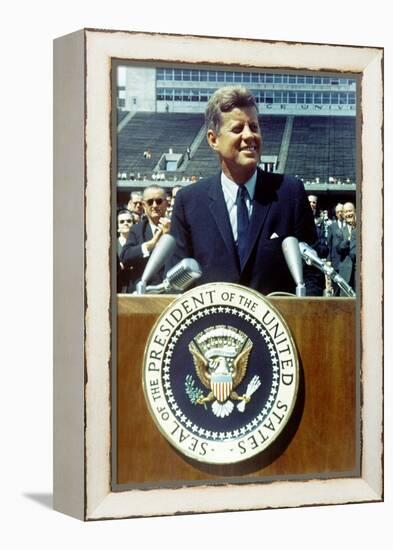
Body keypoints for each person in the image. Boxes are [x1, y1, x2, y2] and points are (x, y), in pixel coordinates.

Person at [168, 85, 323, 296]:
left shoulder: (289, 193)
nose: (249, 135)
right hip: (213, 326)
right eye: (238, 129)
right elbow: (177, 282)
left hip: (277, 326)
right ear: (213, 140)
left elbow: (312, 273)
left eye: (254, 127)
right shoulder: (189, 201)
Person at [120, 185, 171, 289]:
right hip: (143, 291)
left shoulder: (177, 228)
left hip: (170, 290)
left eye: (159, 201)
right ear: (144, 205)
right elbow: (125, 257)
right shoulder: (137, 230)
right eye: (150, 202)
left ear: (166, 203)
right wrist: (150, 245)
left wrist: (169, 237)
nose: (155, 205)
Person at [336, 202, 356, 295]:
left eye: (350, 211)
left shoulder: (362, 228)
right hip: (345, 273)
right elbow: (339, 248)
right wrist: (349, 238)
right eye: (346, 212)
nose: (349, 214)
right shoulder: (340, 232)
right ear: (343, 215)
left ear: (355, 212)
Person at [327, 203, 346, 294]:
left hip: (346, 261)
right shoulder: (332, 227)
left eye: (341, 211)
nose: (340, 213)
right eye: (338, 212)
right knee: (336, 287)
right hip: (335, 262)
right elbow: (329, 245)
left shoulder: (349, 226)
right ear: (336, 214)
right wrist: (329, 259)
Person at [116, 209, 136, 293]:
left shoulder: (139, 244)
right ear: (117, 227)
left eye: (129, 221)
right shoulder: (112, 245)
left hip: (134, 287)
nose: (125, 223)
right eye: (122, 221)